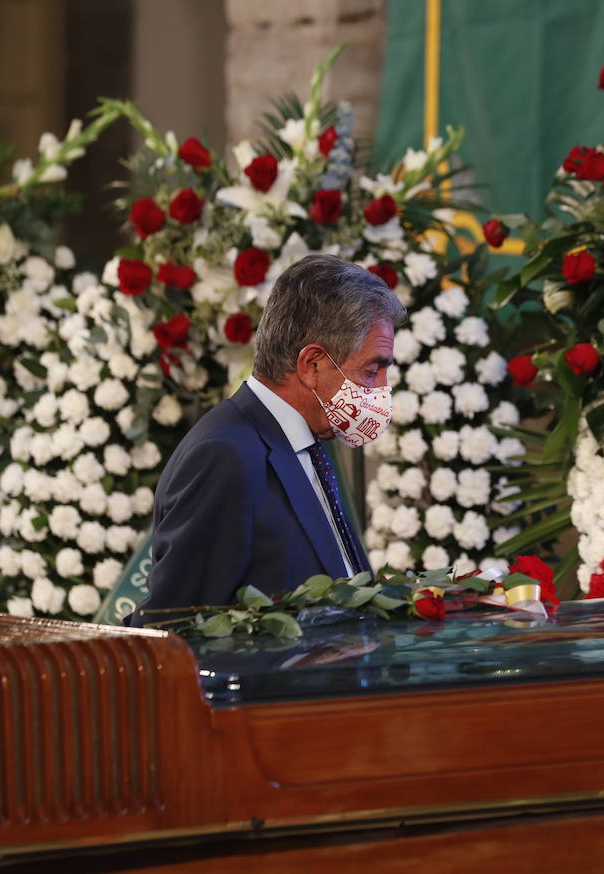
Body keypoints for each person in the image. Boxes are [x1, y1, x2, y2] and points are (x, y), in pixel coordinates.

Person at [138, 253, 404, 611]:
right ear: (312, 365)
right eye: (372, 371)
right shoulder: (225, 455)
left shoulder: (305, 442)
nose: (383, 389)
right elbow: (175, 627)